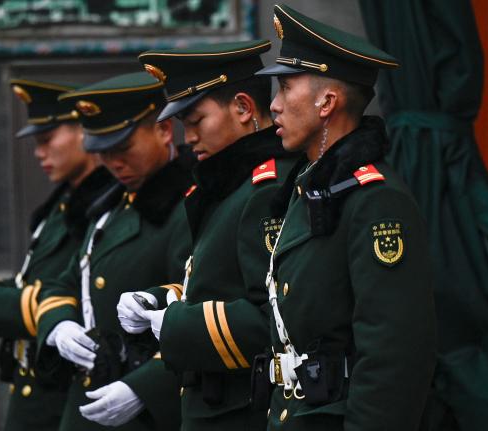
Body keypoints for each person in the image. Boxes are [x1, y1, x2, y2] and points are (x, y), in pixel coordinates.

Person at [252, 4, 437, 430]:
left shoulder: (375, 201)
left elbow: (395, 355)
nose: (274, 106)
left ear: (327, 102)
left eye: (284, 89)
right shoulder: (311, 188)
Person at [117, 40, 299, 430]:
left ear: (243, 108)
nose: (188, 138)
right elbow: (218, 284)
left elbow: (276, 318)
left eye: (196, 121)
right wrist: (161, 299)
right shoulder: (227, 185)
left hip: (244, 408)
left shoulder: (267, 187)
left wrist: (177, 324)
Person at [0, 78, 118, 431]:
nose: (38, 152)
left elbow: (77, 297)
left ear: (83, 132)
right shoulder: (62, 205)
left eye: (47, 140)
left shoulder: (103, 205)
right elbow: (35, 283)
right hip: (35, 385)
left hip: (68, 389)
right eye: (35, 143)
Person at [33, 71, 192, 431]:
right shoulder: (112, 206)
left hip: (151, 411)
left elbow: (197, 306)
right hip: (89, 400)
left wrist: (146, 387)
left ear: (164, 131)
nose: (112, 163)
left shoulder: (187, 205)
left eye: (122, 148)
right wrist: (59, 326)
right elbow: (65, 282)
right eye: (102, 152)